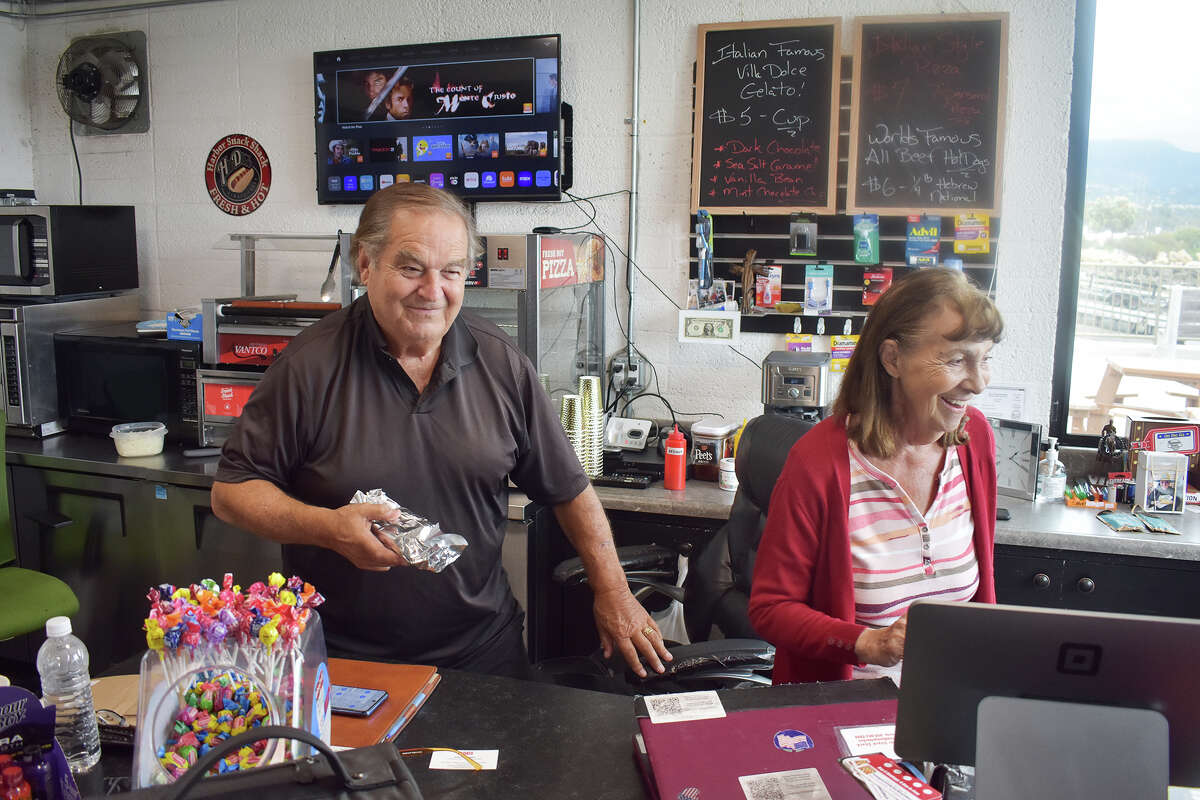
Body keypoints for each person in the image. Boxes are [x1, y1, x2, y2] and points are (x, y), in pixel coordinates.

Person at [210, 183, 670, 681]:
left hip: (482, 655)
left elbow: (569, 489)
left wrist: (614, 592)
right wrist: (328, 529)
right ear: (365, 265)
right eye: (411, 268)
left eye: (451, 271)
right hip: (342, 661)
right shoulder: (308, 367)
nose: (433, 291)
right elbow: (232, 493)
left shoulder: (501, 363)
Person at [747, 268, 1002, 684]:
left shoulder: (975, 440)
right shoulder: (819, 463)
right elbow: (771, 608)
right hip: (844, 717)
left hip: (947, 706)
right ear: (892, 359)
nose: (977, 383)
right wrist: (867, 643)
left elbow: (980, 599)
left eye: (985, 359)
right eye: (956, 360)